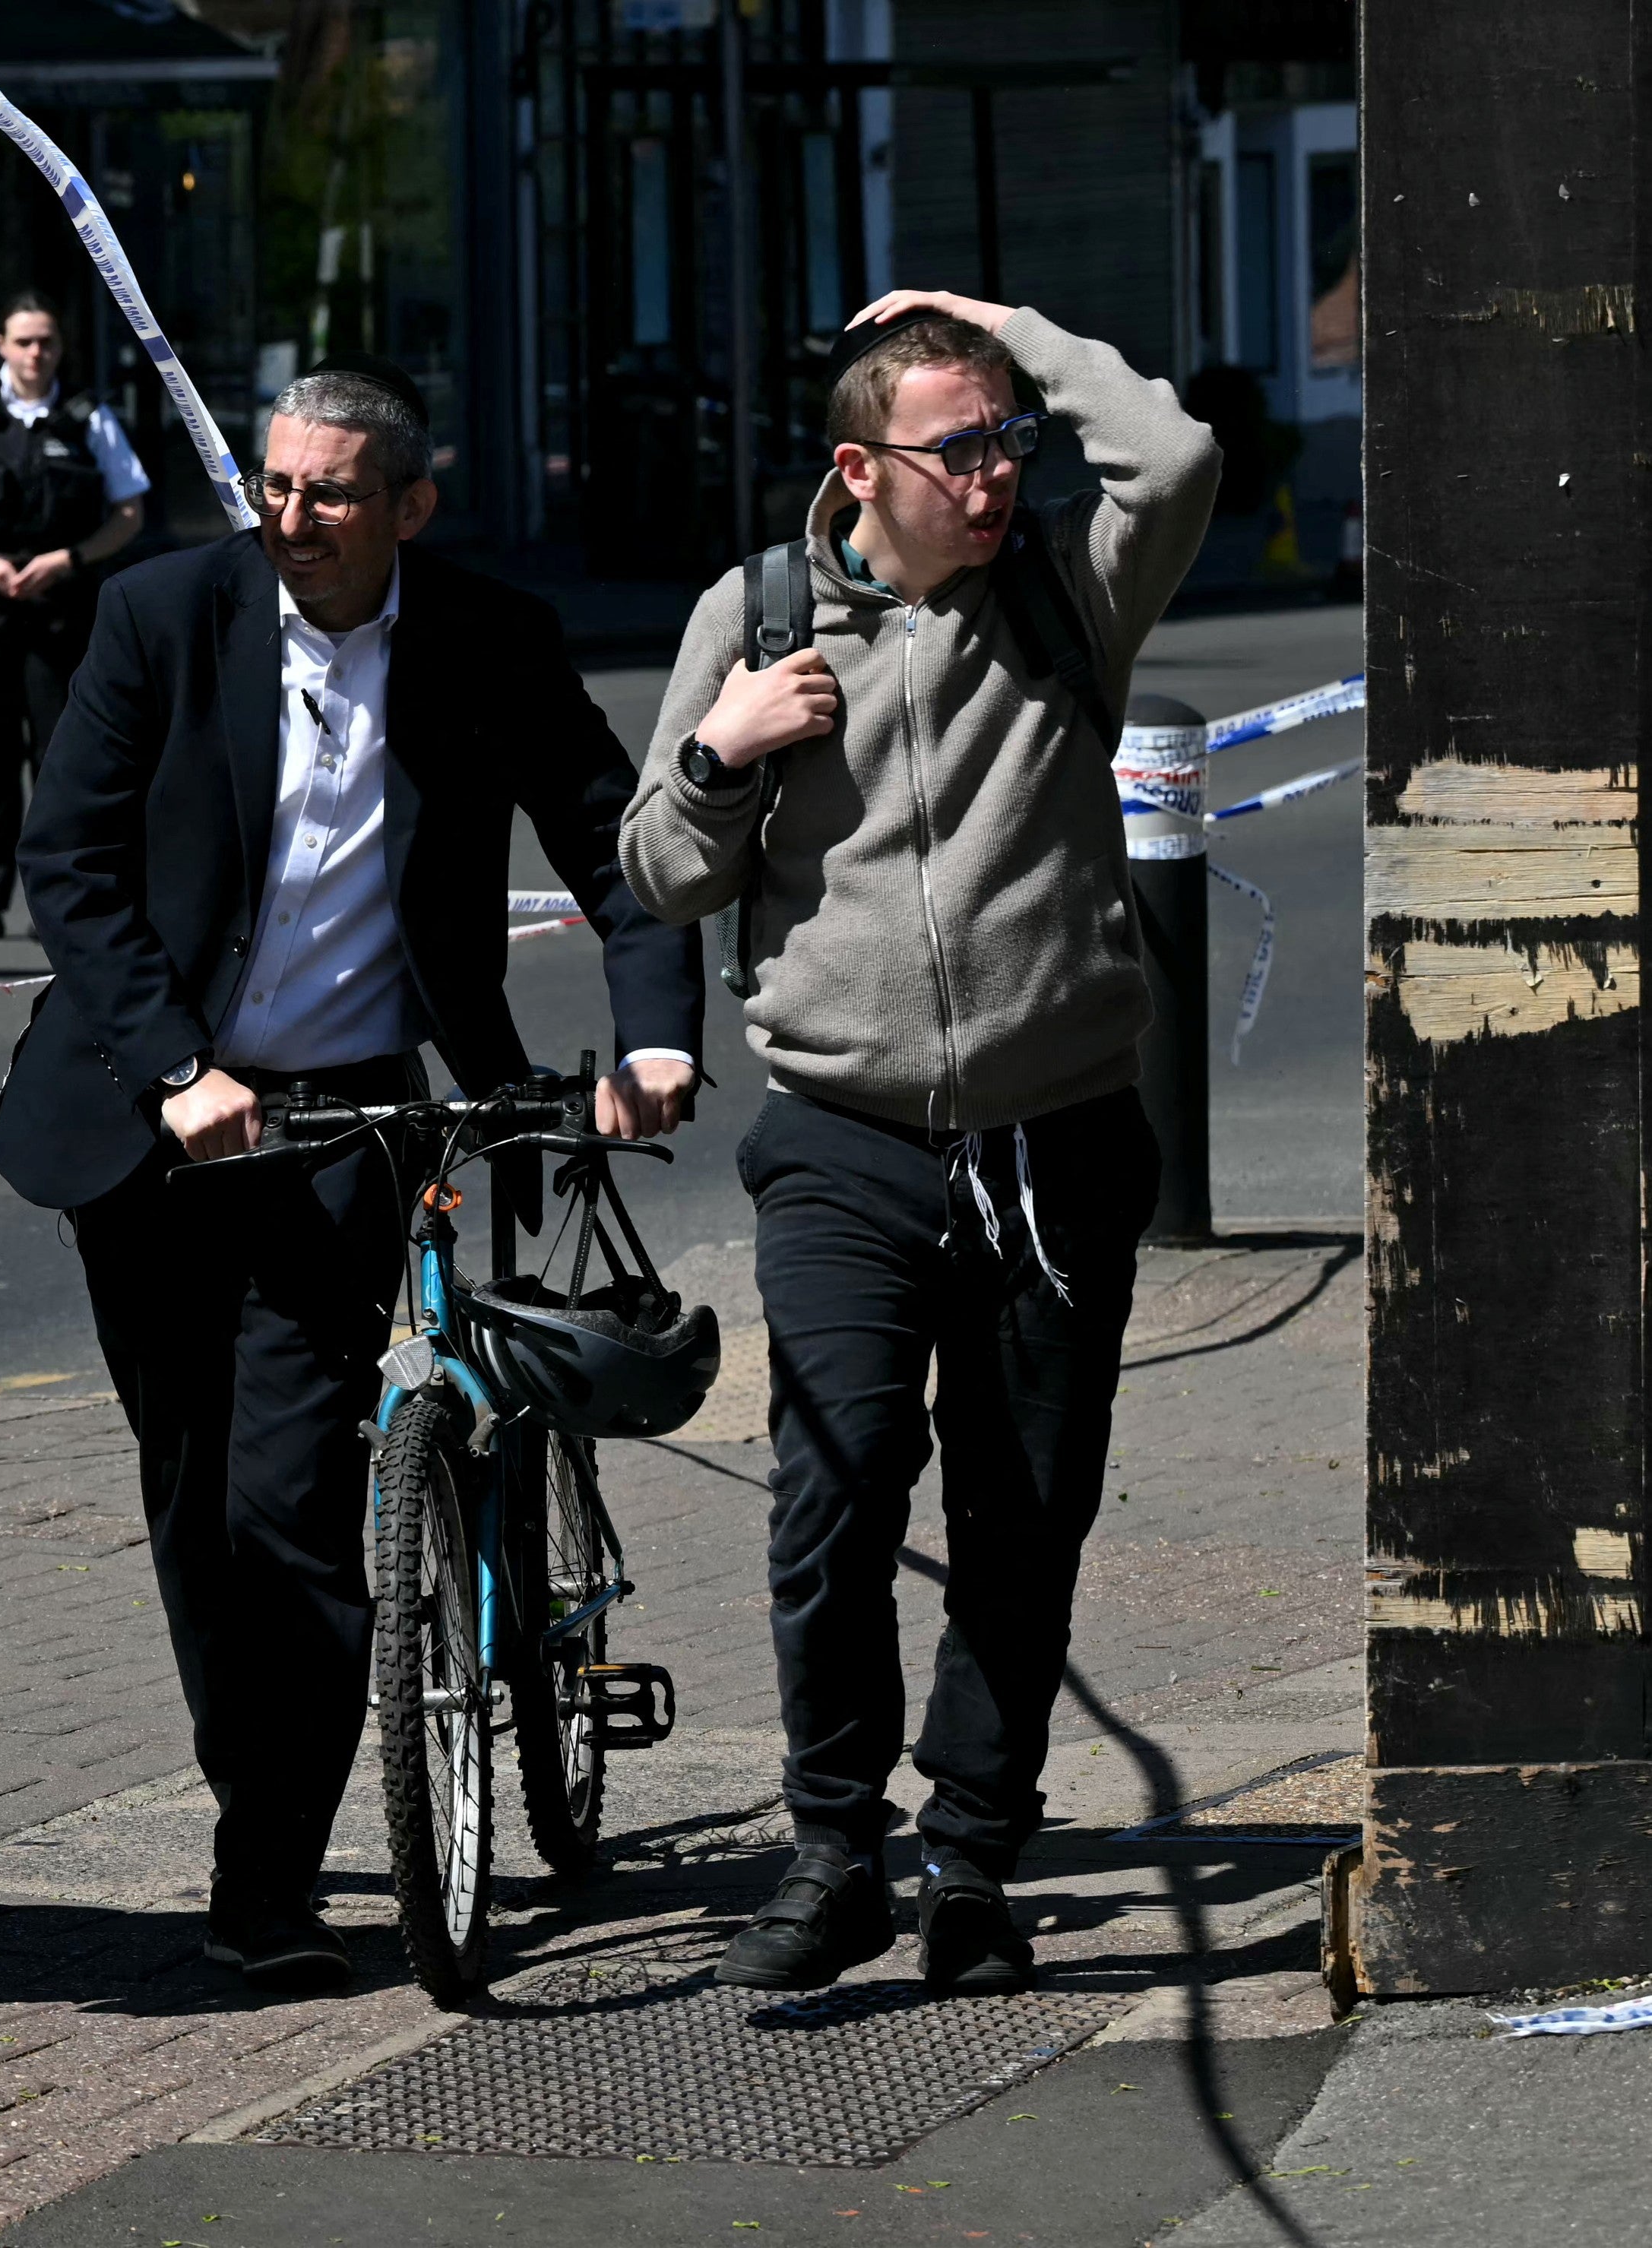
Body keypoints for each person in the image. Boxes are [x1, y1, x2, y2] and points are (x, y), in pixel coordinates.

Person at [0, 361, 704, 1987]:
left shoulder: (484, 640)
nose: (288, 517)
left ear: (407, 506)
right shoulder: (163, 619)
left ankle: (268, 1872)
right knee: (194, 1508)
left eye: (326, 493)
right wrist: (182, 1071)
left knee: (294, 1503)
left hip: (347, 1127)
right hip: (153, 1119)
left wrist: (651, 1039)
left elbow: (615, 848)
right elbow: (69, 865)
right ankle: (261, 1795)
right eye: (272, 485)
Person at [620, 291, 1220, 1996]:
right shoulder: (752, 614)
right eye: (959, 447)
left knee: (1024, 1518)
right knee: (833, 1492)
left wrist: (1006, 328)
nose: (995, 474)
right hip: (844, 1137)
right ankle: (830, 1856)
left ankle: (968, 1858)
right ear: (857, 468)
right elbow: (662, 870)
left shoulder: (1065, 590)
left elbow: (1168, 451)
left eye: (1008, 439)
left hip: (1058, 1139)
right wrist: (721, 754)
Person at [0, 290, 148, 946]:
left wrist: (68, 560)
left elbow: (128, 513)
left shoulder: (87, 417)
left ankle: (55, 903)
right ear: (0, 345)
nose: (35, 353)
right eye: (23, 341)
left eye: (46, 341)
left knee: (59, 758)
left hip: (60, 607)